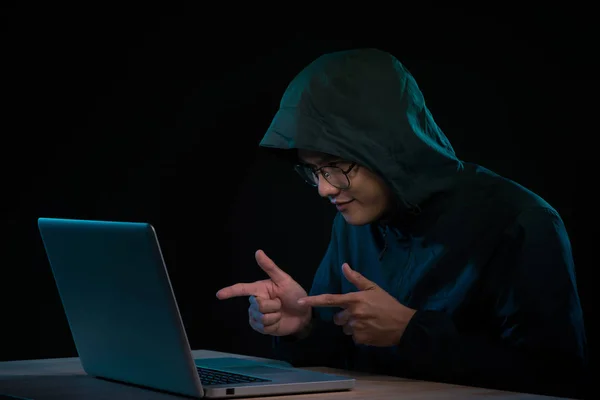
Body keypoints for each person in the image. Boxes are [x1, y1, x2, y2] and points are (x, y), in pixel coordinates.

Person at [216, 48, 587, 398]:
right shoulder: (352, 222)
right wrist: (305, 326)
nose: (324, 188)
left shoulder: (521, 221)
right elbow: (348, 363)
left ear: (387, 146)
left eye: (337, 166)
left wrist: (411, 332)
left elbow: (556, 378)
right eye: (314, 171)